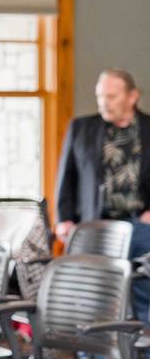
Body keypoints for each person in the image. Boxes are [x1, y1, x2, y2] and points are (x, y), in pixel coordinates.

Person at [55, 69, 150, 322]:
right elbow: (67, 177)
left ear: (132, 96)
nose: (104, 103)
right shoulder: (81, 128)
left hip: (140, 227)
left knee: (144, 296)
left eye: (111, 96)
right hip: (94, 225)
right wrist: (63, 219)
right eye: (100, 96)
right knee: (91, 299)